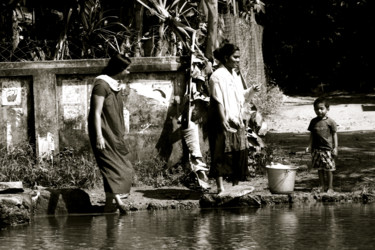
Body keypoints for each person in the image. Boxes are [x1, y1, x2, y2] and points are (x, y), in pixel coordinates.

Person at [208, 43, 260, 194]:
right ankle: (220, 187)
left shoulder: (234, 75)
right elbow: (217, 99)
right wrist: (223, 119)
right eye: (235, 57)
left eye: (238, 57)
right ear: (226, 58)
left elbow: (240, 97)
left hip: (235, 119)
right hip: (221, 118)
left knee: (237, 152)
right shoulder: (217, 76)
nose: (238, 60)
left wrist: (251, 90)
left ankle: (234, 185)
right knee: (220, 151)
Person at [88, 53, 134, 214]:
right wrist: (99, 136)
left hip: (114, 132)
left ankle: (110, 205)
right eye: (127, 69)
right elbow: (96, 112)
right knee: (114, 167)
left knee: (117, 165)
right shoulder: (101, 84)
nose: (129, 72)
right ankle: (119, 201)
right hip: (104, 132)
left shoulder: (114, 85)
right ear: (119, 69)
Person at [306, 97, 338, 194]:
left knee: (329, 168)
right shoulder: (313, 121)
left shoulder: (331, 122)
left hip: (328, 149)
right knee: (319, 168)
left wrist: (336, 147)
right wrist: (309, 145)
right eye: (316, 109)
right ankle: (322, 185)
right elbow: (312, 134)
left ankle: (330, 187)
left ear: (327, 109)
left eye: (321, 108)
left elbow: (334, 134)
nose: (319, 111)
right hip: (316, 149)